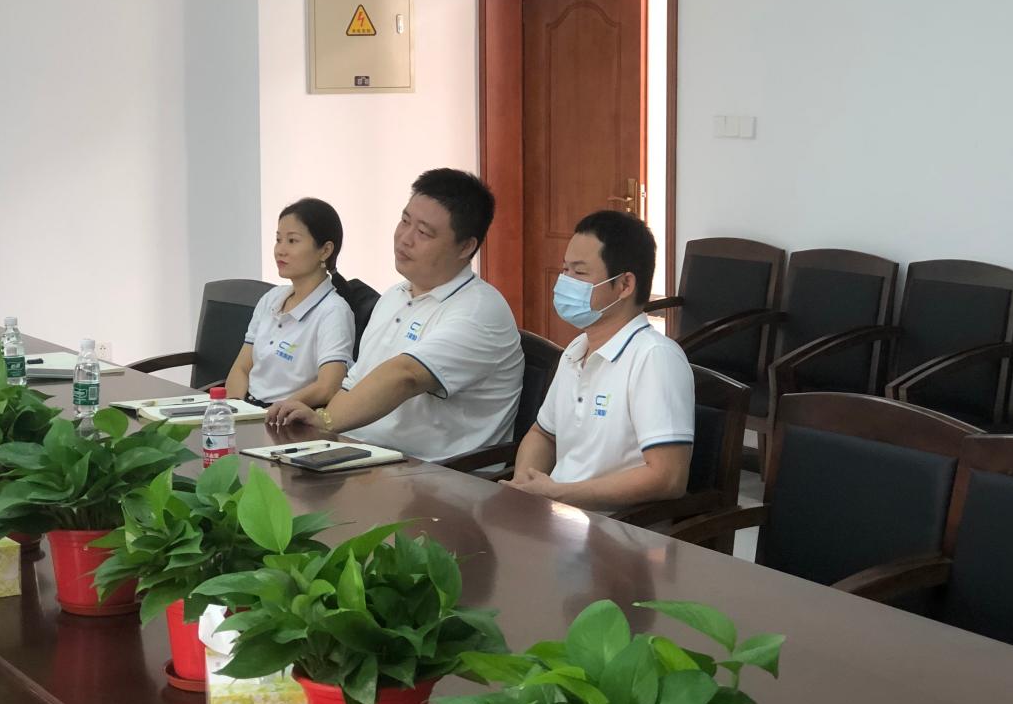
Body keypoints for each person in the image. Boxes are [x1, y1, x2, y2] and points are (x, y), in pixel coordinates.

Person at [268, 168, 523, 462]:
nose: (405, 238)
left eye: (423, 232)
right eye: (404, 221)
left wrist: (325, 420)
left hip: (434, 472)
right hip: (365, 455)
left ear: (466, 246)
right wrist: (321, 429)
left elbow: (406, 375)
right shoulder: (394, 296)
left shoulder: (479, 311)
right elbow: (354, 383)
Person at [502, 210, 694, 513]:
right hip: (558, 515)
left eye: (579, 273)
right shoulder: (576, 349)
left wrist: (559, 494)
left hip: (616, 528)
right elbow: (543, 434)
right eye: (565, 269)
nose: (564, 282)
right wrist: (525, 485)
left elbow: (667, 477)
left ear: (625, 285)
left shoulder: (655, 358)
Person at [226, 198, 355, 407]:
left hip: (288, 417)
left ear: (325, 250)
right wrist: (235, 409)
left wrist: (273, 412)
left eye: (292, 241)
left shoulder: (333, 311)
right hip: (249, 409)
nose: (280, 250)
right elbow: (241, 368)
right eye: (278, 239)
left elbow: (328, 387)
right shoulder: (271, 298)